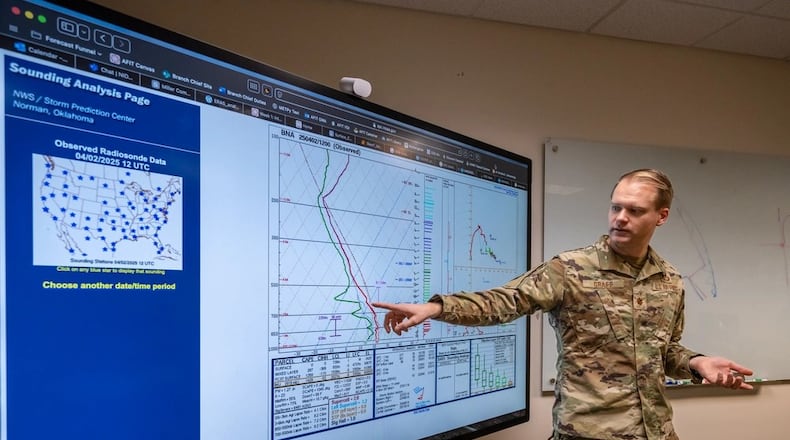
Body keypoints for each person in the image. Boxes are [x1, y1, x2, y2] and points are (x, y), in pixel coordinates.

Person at [373, 168, 753, 440]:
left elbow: (664, 352)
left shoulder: (668, 279)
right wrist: (437, 308)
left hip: (656, 431)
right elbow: (507, 300)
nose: (620, 218)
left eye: (634, 211)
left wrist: (696, 363)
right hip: (588, 432)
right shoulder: (569, 268)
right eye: (615, 207)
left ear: (661, 216)